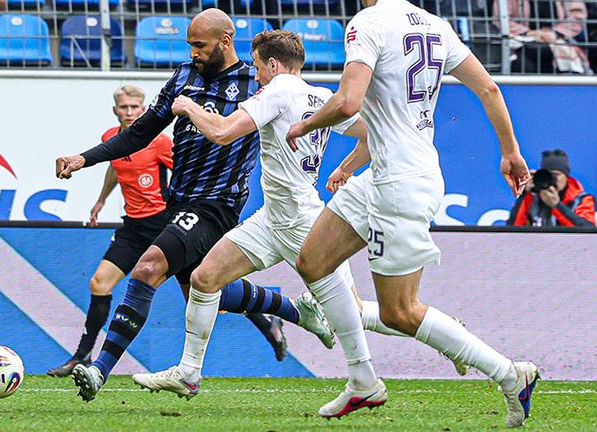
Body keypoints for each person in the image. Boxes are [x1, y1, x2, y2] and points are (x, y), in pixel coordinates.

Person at [54, 8, 335, 403]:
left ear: (225, 41)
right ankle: (294, 311)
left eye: (199, 45)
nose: (193, 53)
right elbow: (142, 133)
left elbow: (282, 113)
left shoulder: (259, 84)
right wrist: (85, 158)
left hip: (217, 205)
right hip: (180, 202)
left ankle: (98, 370)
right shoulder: (183, 77)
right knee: (205, 289)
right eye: (189, 45)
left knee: (148, 268)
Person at [285, 0, 540, 427]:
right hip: (387, 172)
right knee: (313, 260)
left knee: (399, 311)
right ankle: (362, 379)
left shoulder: (367, 22)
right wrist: (510, 151)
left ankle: (510, 374)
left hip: (398, 185)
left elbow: (348, 103)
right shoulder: (435, 24)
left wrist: (303, 125)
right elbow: (489, 89)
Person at [130, 30, 389, 415]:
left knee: (363, 312)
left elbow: (221, 133)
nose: (254, 76)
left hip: (303, 223)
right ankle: (188, 373)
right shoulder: (319, 96)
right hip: (272, 219)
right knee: (204, 278)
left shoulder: (278, 90)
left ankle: (434, 330)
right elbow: (371, 134)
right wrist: (344, 169)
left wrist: (187, 107)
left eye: (256, 66)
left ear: (272, 64)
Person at [46, 85, 174, 377]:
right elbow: (116, 167)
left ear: (144, 110)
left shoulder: (159, 142)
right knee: (99, 283)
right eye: (124, 107)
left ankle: (265, 321)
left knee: (203, 282)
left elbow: (182, 171)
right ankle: (82, 357)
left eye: (135, 107)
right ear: (116, 110)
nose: (129, 112)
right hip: (132, 226)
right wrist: (101, 200)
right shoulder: (111, 138)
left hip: (161, 225)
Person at [493, 0, 591, 74]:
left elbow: (577, 16)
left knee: (563, 58)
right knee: (523, 62)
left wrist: (555, 33)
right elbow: (501, 19)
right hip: (520, 41)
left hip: (559, 40)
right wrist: (528, 33)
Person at [507, 149, 596, 227]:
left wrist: (557, 206)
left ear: (566, 177)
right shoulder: (532, 196)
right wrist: (524, 193)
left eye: (556, 175)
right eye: (549, 175)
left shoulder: (582, 200)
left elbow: (588, 231)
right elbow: (512, 229)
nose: (553, 179)